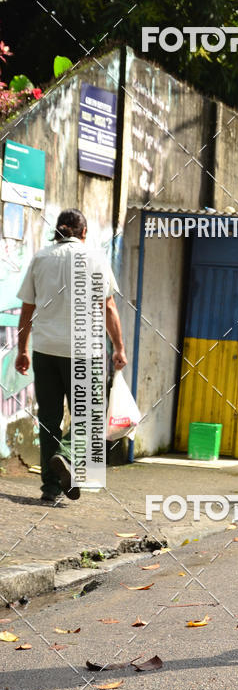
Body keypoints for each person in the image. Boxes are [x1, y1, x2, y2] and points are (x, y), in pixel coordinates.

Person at [15, 209, 127, 504]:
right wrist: (119, 347)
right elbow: (109, 307)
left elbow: (27, 310)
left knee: (49, 419)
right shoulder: (95, 258)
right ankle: (66, 456)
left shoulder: (40, 258)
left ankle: (51, 488)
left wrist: (22, 349)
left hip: (45, 350)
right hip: (84, 353)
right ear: (84, 232)